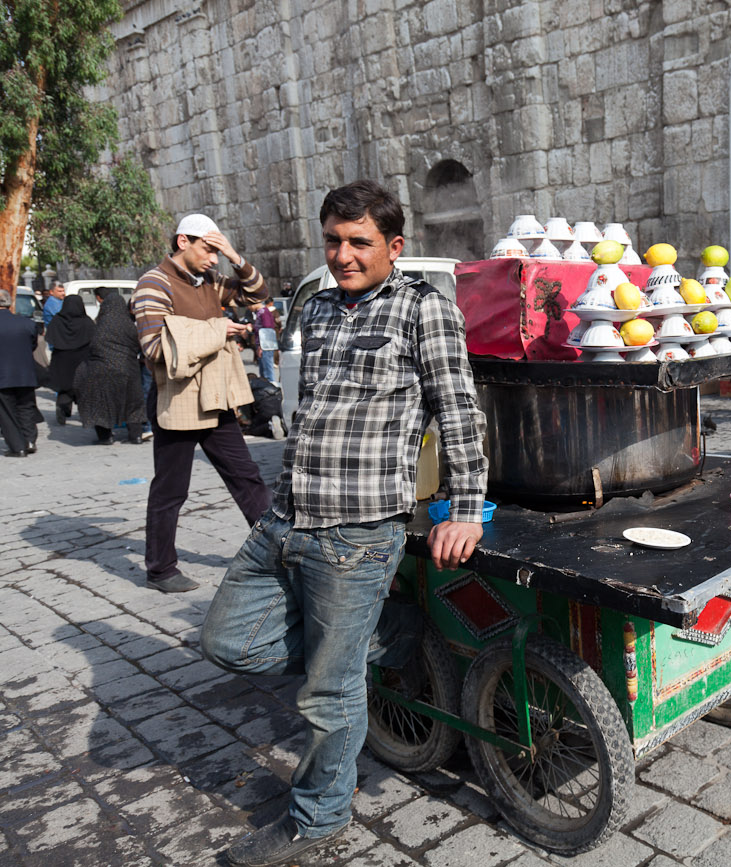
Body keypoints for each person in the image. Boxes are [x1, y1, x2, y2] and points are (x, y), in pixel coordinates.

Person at [201, 180, 488, 867]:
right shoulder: (323, 308)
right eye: (333, 239)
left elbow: (459, 408)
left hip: (356, 533)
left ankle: (319, 815)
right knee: (225, 641)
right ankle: (385, 635)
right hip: (287, 514)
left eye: (359, 241)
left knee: (326, 695)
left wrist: (468, 507)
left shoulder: (425, 308)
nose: (343, 253)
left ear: (394, 246)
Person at [131, 213, 272, 593]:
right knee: (171, 489)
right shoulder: (152, 285)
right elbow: (156, 349)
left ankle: (277, 552)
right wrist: (219, 329)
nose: (213, 259)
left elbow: (258, 295)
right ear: (183, 242)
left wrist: (232, 254)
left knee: (247, 478)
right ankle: (160, 569)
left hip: (216, 397)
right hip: (176, 402)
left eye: (216, 251)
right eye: (209, 249)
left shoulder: (210, 281)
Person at [75, 289, 147, 445]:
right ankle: (136, 436)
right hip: (129, 369)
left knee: (101, 402)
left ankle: (105, 437)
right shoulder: (130, 326)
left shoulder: (99, 325)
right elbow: (139, 346)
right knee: (132, 403)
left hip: (102, 369)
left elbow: (92, 347)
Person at [0, 290, 41, 457]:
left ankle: (18, 446)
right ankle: (30, 440)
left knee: (7, 412)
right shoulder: (26, 323)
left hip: (2, 375)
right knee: (26, 407)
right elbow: (33, 344)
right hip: (25, 373)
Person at [46, 295, 95, 425]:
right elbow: (94, 341)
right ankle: (85, 415)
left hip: (61, 360)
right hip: (82, 359)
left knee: (64, 387)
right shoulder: (87, 322)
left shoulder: (56, 320)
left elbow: (50, 338)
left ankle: (62, 409)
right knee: (83, 389)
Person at [251, 298, 280, 382]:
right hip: (263, 345)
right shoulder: (261, 312)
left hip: (265, 345)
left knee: (267, 373)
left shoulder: (263, 312)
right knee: (264, 373)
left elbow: (267, 329)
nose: (248, 308)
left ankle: (271, 391)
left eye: (249, 305)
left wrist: (261, 346)